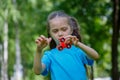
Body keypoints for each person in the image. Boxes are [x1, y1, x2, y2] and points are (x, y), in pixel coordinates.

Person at [33, 10, 99, 80]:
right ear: (50, 34)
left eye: (64, 29)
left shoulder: (78, 50)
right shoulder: (50, 55)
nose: (60, 34)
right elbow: (37, 71)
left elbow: (95, 56)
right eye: (55, 31)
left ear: (71, 30)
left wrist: (79, 44)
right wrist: (39, 51)